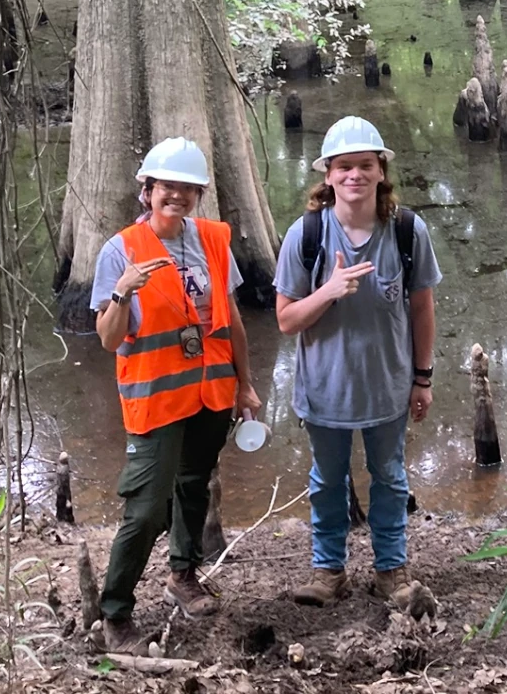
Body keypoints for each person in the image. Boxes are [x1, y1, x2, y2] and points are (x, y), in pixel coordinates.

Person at [90, 137, 263, 652]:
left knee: (194, 485)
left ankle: (182, 576)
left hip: (211, 393)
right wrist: (124, 290)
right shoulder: (120, 249)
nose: (178, 197)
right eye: (168, 186)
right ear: (147, 190)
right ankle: (115, 611)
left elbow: (229, 319)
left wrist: (246, 384)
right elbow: (108, 338)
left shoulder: (211, 240)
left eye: (189, 189)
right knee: (146, 509)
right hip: (156, 399)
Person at [274, 116, 441, 606]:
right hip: (324, 392)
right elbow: (286, 320)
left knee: (390, 477)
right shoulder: (305, 237)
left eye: (365, 165)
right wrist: (327, 291)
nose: (355, 176)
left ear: (380, 170)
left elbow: (422, 307)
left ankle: (392, 568)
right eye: (344, 167)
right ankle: (328, 571)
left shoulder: (408, 231)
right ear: (327, 175)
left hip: (388, 388)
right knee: (326, 481)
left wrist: (423, 378)